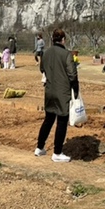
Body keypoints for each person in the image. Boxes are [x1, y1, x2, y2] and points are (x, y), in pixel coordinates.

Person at [34, 28, 79, 162]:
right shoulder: (66, 54)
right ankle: (57, 153)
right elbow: (72, 74)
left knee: (48, 119)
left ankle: (39, 147)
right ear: (63, 40)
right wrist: (75, 89)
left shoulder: (46, 53)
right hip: (62, 91)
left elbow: (42, 68)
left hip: (49, 90)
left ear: (52, 39)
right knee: (62, 120)